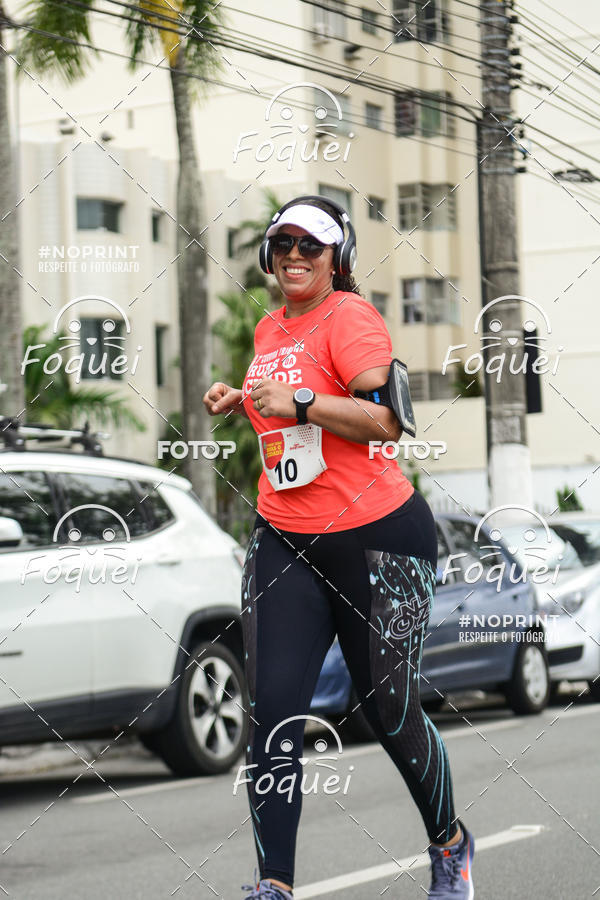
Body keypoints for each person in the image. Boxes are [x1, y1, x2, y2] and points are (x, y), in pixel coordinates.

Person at [203, 196, 475, 899]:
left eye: (311, 245)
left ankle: (449, 843)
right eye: (282, 243)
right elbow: (292, 405)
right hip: (285, 536)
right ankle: (274, 886)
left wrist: (297, 404)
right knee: (273, 713)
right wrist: (249, 399)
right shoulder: (268, 328)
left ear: (338, 256)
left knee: (389, 711)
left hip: (378, 541)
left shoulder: (352, 316)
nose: (294, 254)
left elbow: (385, 421)